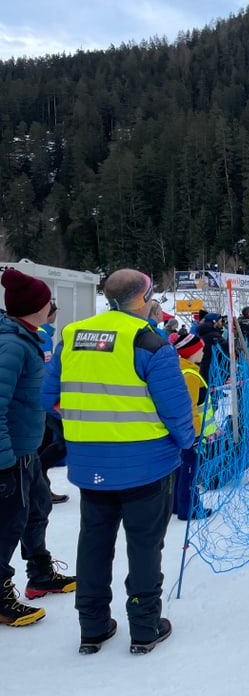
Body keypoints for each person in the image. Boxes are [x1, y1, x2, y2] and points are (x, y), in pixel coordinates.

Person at [41, 268, 195, 655]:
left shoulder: (73, 336)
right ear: (144, 297)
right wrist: (187, 441)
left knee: (93, 542)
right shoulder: (149, 342)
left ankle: (92, 626)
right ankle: (145, 627)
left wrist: (85, 420)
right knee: (144, 546)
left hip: (89, 463)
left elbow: (49, 397)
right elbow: (176, 410)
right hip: (146, 463)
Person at [0, 269, 76, 628]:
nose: (53, 306)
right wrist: (4, 461)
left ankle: (41, 574)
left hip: (26, 451)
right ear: (36, 306)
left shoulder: (27, 337)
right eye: (49, 301)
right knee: (8, 524)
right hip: (10, 455)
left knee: (37, 511)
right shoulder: (13, 344)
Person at [171, 333, 215, 521]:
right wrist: (195, 434)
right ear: (192, 352)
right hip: (191, 432)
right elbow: (189, 407)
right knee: (190, 470)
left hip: (182, 431)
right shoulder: (189, 374)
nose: (203, 352)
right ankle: (189, 508)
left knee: (180, 469)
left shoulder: (181, 369)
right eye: (201, 349)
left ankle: (177, 505)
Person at [36, 301, 69, 504]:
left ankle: (40, 486)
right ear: (52, 314)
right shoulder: (42, 337)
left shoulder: (40, 335)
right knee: (59, 443)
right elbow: (45, 374)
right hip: (41, 404)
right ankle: (37, 484)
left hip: (37, 402)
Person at [197, 312, 226, 383]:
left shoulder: (204, 332)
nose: (222, 322)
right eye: (220, 320)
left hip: (205, 366)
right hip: (212, 367)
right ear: (215, 322)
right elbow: (226, 347)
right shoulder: (213, 335)